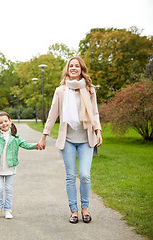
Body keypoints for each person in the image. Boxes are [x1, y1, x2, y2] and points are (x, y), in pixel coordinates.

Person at [37, 56, 103, 224]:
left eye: (77, 66)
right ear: (67, 69)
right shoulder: (61, 91)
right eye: (71, 66)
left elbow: (94, 112)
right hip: (67, 139)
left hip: (86, 139)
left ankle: (85, 208)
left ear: (81, 69)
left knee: (85, 175)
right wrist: (44, 135)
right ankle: (74, 211)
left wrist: (98, 131)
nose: (74, 68)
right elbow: (53, 114)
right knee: (71, 176)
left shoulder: (89, 89)